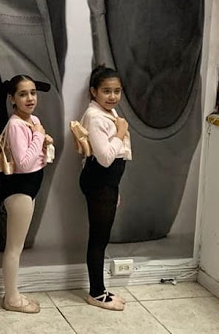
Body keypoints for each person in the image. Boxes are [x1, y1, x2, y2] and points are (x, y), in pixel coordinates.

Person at [79, 65, 132, 311]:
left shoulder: (107, 112)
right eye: (106, 91)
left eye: (117, 91)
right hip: (100, 182)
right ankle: (96, 293)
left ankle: (99, 288)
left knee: (101, 237)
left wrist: (115, 188)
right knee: (99, 239)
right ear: (94, 91)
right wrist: (121, 131)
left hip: (107, 183)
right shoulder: (96, 117)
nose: (112, 96)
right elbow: (106, 158)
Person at [0, 75, 53, 314]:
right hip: (18, 189)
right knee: (14, 247)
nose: (30, 98)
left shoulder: (33, 120)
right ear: (12, 98)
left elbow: (39, 158)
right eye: (23, 94)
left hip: (30, 187)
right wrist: (39, 136)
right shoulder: (16, 125)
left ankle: (13, 293)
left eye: (33, 92)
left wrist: (43, 140)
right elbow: (23, 163)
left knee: (17, 246)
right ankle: (11, 298)